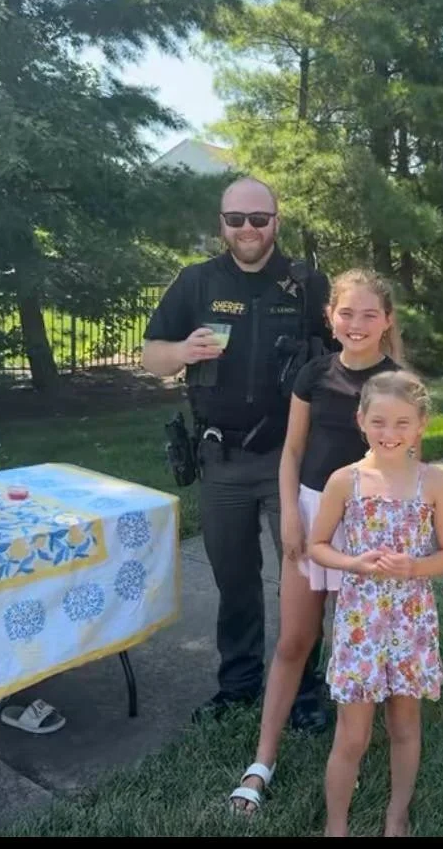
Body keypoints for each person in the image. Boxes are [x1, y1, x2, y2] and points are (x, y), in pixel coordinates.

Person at [141, 176, 335, 730]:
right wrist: (180, 350)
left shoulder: (307, 285)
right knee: (235, 579)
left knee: (302, 581)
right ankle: (239, 683)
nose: (248, 229)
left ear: (277, 221)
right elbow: (151, 355)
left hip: (290, 458)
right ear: (220, 223)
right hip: (220, 459)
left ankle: (301, 688)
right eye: (236, 219)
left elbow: (353, 350)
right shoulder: (196, 282)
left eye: (259, 218)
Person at [227, 269, 405, 815]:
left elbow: (406, 463)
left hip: (369, 528)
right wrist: (289, 517)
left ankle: (347, 755)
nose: (356, 324)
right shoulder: (312, 375)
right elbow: (291, 451)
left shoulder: (397, 381)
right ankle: (262, 760)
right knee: (294, 641)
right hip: (309, 517)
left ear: (387, 322)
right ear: (330, 316)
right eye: (346, 313)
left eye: (369, 314)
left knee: (357, 649)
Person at [306, 370, 443, 837]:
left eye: (401, 423)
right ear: (360, 421)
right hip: (361, 622)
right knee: (352, 735)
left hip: (411, 621)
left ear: (421, 425)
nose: (389, 434)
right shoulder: (344, 481)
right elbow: (317, 545)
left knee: (404, 724)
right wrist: (355, 563)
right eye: (379, 422)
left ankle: (397, 814)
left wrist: (414, 567)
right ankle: (337, 825)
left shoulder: (433, 482)